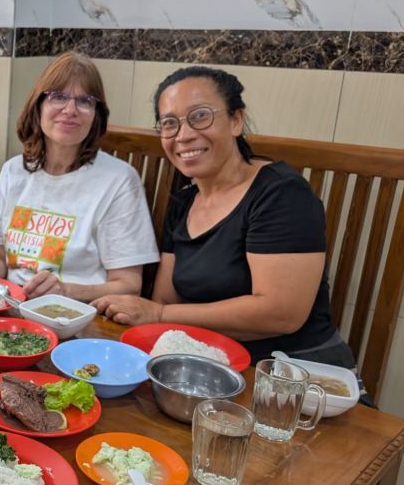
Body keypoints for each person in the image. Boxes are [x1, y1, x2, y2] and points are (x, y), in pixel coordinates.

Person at [93, 66, 355, 369]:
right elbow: (165, 299)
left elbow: (281, 313)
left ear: (236, 120)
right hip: (208, 362)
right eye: (169, 123)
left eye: (200, 116)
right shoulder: (185, 201)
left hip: (292, 372)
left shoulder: (281, 194)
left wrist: (159, 315)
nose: (184, 135)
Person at [0, 52, 159, 301]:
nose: (70, 110)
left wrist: (65, 290)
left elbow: (129, 286)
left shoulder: (119, 180)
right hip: (12, 308)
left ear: (96, 115)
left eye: (85, 101)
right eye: (58, 97)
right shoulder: (13, 171)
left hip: (79, 316)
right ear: (38, 106)